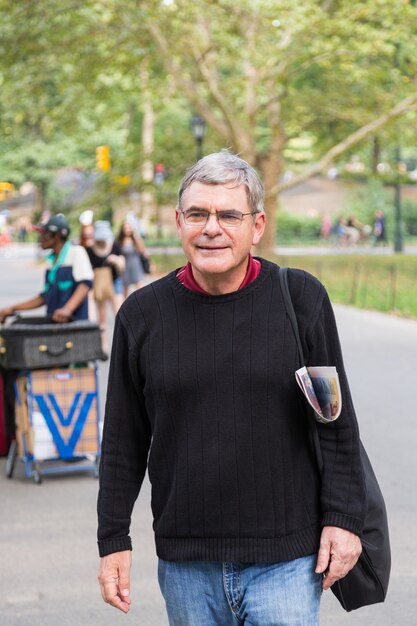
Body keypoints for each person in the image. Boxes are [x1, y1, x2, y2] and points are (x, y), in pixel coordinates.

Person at [97, 152, 365, 625]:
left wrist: (343, 520)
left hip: (287, 559)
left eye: (228, 215)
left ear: (256, 225)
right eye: (198, 214)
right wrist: (113, 539)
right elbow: (123, 440)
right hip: (186, 566)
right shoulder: (141, 316)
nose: (211, 228)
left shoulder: (301, 300)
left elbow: (335, 423)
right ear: (179, 222)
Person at [0, 213, 93, 323]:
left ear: (57, 237)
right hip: (54, 326)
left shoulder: (76, 252)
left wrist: (67, 309)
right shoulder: (51, 261)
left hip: (74, 327)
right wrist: (12, 308)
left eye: (44, 234)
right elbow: (45, 296)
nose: (40, 238)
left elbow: (85, 285)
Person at [86, 220, 124, 350]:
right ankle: (103, 345)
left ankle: (123, 344)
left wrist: (115, 260)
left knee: (120, 314)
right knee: (101, 316)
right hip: (99, 284)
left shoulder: (115, 246)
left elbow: (122, 266)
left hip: (115, 282)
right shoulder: (90, 249)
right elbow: (86, 269)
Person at [115, 219, 148, 298]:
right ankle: (124, 307)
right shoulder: (119, 241)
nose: (127, 230)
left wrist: (137, 237)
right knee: (125, 290)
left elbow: (142, 251)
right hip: (125, 267)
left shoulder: (135, 239)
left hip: (135, 265)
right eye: (125, 228)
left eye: (129, 228)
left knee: (140, 288)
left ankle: (143, 305)